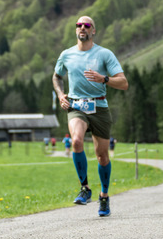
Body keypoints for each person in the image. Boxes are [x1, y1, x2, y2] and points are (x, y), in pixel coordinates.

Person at [53, 15, 129, 217]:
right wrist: (61, 95)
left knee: (102, 156)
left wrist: (104, 78)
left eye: (87, 25)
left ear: (93, 31)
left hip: (99, 106)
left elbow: (123, 83)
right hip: (76, 106)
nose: (82, 28)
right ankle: (85, 189)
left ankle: (104, 197)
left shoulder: (104, 54)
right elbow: (57, 76)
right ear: (76, 30)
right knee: (76, 141)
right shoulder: (67, 55)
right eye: (79, 25)